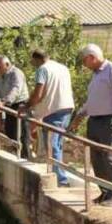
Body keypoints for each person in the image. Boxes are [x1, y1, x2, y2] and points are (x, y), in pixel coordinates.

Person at [69, 43, 112, 206]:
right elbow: (92, 101)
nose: (84, 65)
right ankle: (105, 192)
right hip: (94, 120)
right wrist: (79, 116)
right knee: (97, 158)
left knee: (109, 157)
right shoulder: (96, 75)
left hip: (108, 120)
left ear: (92, 57)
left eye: (85, 61)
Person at [23, 49, 75, 186]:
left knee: (52, 146)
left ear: (36, 59)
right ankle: (60, 175)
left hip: (53, 111)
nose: (32, 63)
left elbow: (38, 94)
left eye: (32, 61)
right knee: (57, 144)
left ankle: (61, 180)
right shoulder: (63, 68)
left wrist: (27, 106)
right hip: (67, 108)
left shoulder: (42, 70)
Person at [0, 55, 29, 157]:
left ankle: (24, 157)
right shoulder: (0, 76)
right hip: (9, 105)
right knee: (10, 131)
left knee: (22, 133)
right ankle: (14, 154)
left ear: (7, 65)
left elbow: (15, 90)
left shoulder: (16, 73)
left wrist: (3, 101)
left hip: (20, 104)